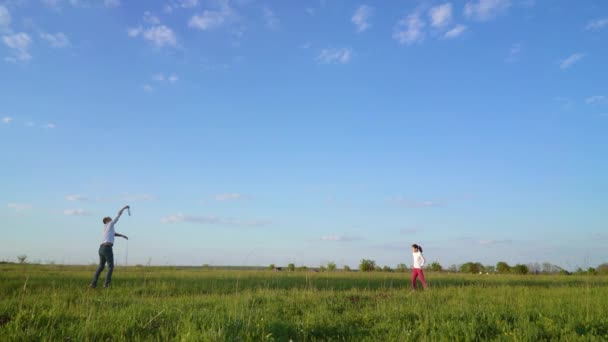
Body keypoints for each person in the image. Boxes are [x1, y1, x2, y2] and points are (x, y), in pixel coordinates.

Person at [90, 205, 130, 288]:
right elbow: (118, 214)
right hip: (107, 248)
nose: (111, 218)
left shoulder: (107, 228)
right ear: (107, 221)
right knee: (110, 266)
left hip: (101, 248)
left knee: (101, 267)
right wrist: (124, 208)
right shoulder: (110, 224)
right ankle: (106, 284)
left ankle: (93, 284)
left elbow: (113, 234)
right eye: (109, 218)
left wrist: (122, 235)